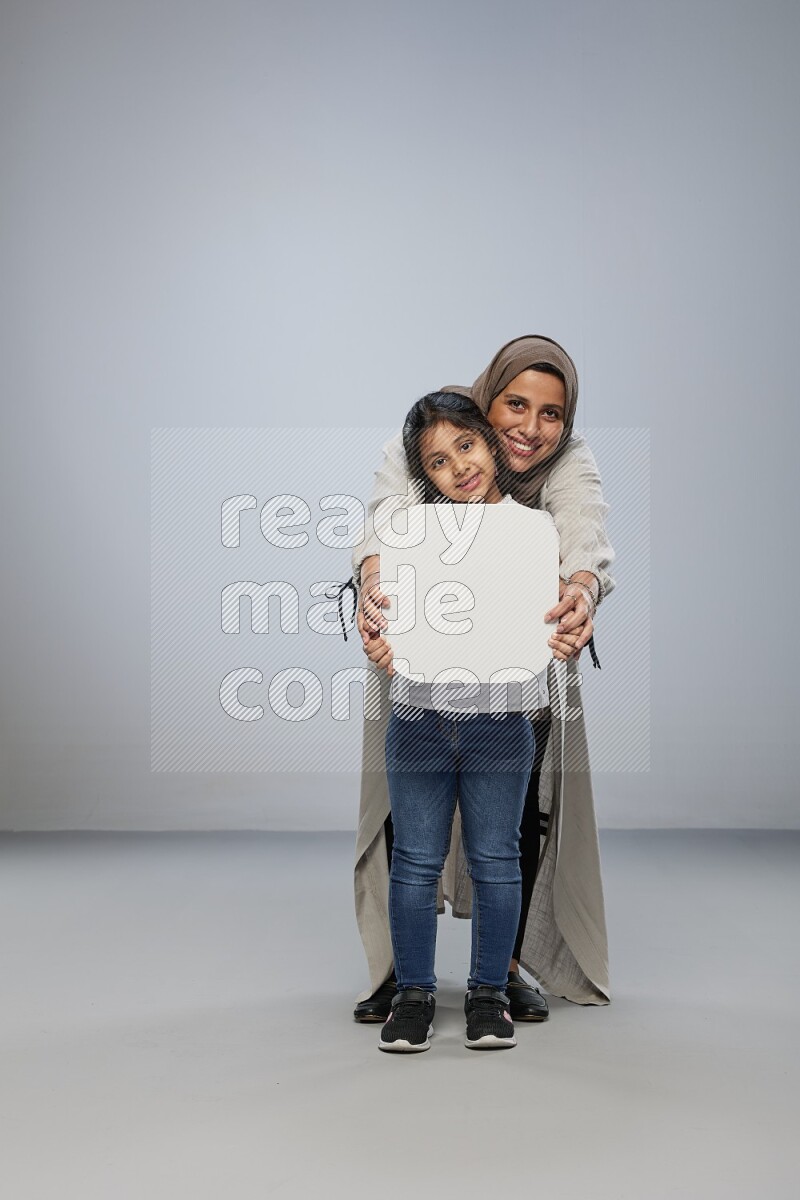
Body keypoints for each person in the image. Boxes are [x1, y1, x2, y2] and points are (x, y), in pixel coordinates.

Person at [350, 334, 615, 1023]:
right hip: (419, 659)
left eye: (551, 414)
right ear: (484, 403)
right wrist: (375, 591)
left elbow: (584, 529)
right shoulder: (433, 438)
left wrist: (581, 589)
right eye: (515, 405)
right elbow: (384, 523)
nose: (531, 429)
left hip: (523, 653)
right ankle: (397, 972)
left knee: (516, 817)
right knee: (401, 822)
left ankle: (499, 970)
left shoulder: (567, 463)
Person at [379, 392, 578, 1053]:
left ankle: (488, 995)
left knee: (496, 859)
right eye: (438, 461)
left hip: (500, 720)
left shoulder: (533, 531)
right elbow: (390, 618)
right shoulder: (410, 534)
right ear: (425, 475)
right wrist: (381, 635)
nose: (458, 467)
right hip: (417, 716)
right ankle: (412, 995)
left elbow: (538, 620)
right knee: (414, 862)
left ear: (490, 445)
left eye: (466, 446)